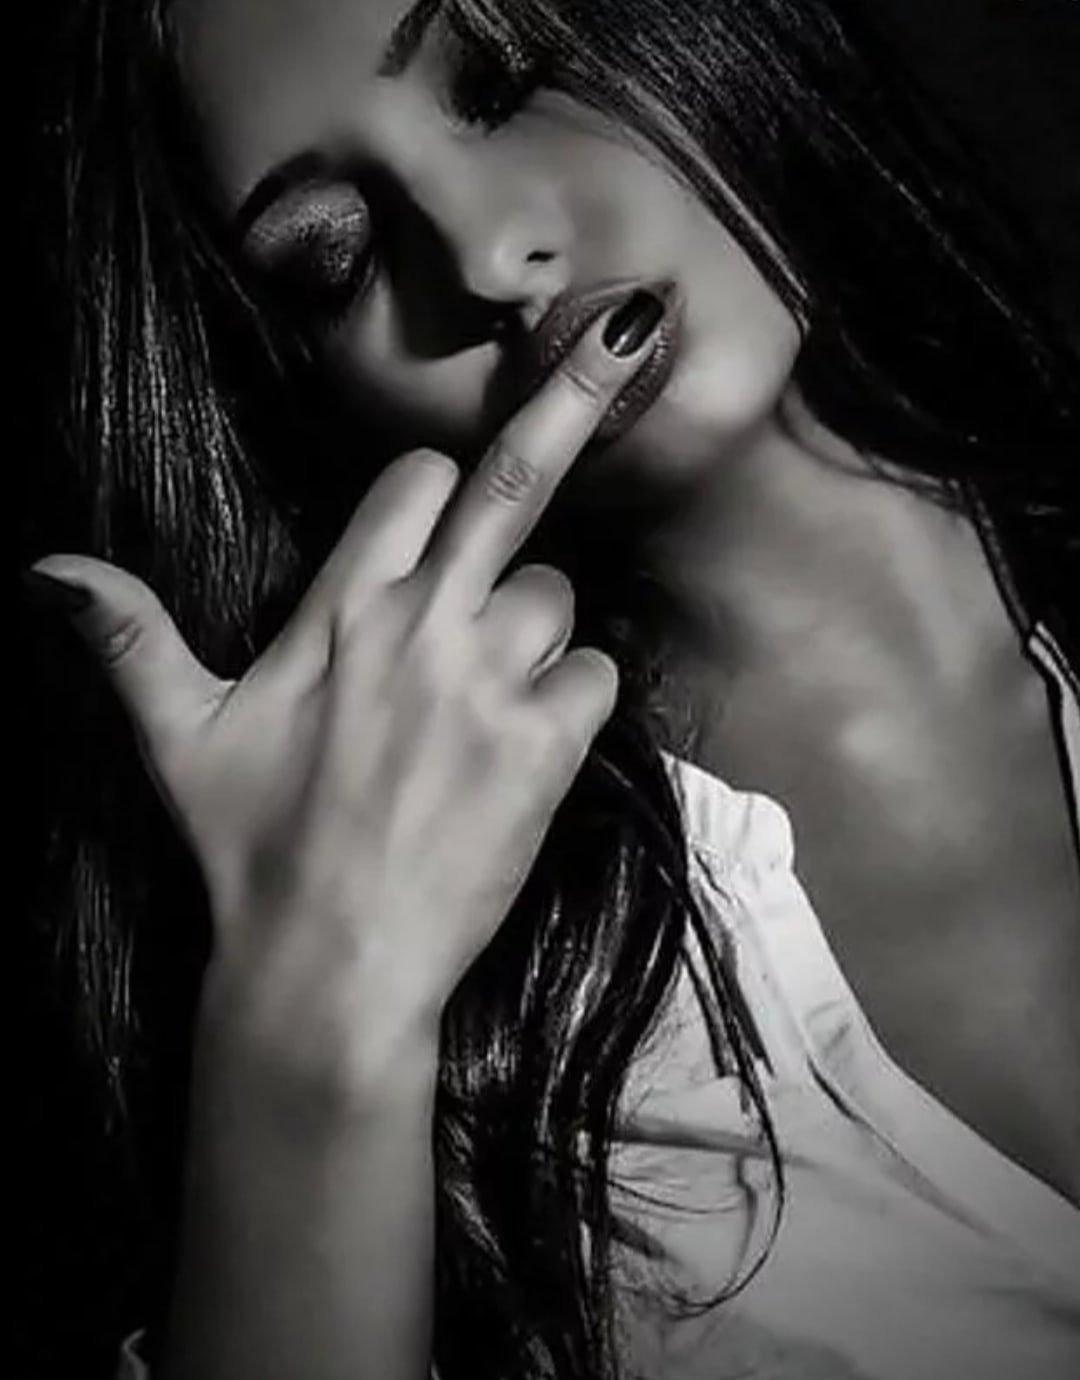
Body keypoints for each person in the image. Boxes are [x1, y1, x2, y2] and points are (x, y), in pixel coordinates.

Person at [19, 0, 1079, 1377]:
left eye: (504, 77)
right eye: (336, 259)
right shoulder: (493, 1012)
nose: (484, 256)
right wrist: (314, 1020)